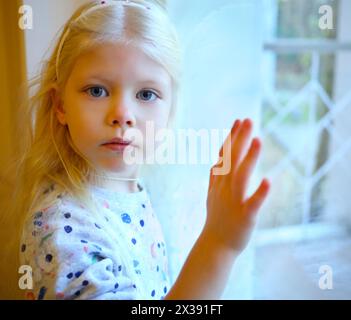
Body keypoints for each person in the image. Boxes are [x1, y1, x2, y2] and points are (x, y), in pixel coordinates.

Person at [15, 0, 270, 300]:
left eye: (146, 94)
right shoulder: (61, 232)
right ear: (60, 105)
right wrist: (219, 243)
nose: (123, 114)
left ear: (170, 108)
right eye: (97, 90)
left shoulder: (129, 190)